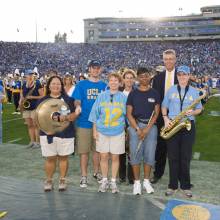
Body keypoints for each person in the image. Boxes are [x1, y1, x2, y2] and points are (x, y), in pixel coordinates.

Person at [161, 65, 203, 198]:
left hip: (188, 125)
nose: (182, 77)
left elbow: (200, 109)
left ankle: (185, 185)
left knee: (185, 157)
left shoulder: (194, 91)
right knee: (173, 157)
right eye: (179, 75)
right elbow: (164, 106)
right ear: (177, 76)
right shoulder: (171, 89)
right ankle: (172, 185)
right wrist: (165, 118)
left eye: (184, 74)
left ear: (189, 76)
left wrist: (194, 111)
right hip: (173, 124)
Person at [38, 75, 80, 192]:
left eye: (58, 83)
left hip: (65, 133)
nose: (56, 85)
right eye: (53, 83)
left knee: (63, 158)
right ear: (49, 86)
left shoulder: (68, 100)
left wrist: (66, 116)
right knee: (50, 158)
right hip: (48, 134)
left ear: (61, 86)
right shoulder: (42, 100)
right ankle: (49, 180)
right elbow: (38, 118)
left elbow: (74, 115)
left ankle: (62, 179)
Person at [89, 73, 127, 193]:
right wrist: (94, 131)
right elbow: (95, 114)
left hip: (118, 131)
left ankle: (113, 181)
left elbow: (127, 116)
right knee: (103, 156)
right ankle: (105, 180)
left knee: (115, 156)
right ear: (108, 82)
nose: (114, 82)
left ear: (120, 82)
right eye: (111, 80)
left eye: (116, 80)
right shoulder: (101, 96)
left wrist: (126, 131)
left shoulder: (123, 97)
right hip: (102, 130)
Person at [72, 60, 107, 188]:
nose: (95, 70)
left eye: (98, 68)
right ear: (89, 69)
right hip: (84, 122)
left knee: (97, 151)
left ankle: (96, 172)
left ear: (100, 69)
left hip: (100, 124)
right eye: (93, 68)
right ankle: (84, 176)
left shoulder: (104, 85)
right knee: (84, 151)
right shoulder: (81, 84)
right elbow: (77, 100)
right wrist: (78, 107)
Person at [127, 67, 160, 195]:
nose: (144, 78)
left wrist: (146, 129)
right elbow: (129, 114)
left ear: (149, 77)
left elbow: (156, 113)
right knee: (135, 155)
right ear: (138, 78)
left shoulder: (155, 93)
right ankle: (137, 182)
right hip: (135, 126)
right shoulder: (133, 93)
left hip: (151, 127)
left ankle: (146, 181)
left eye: (146, 76)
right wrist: (137, 129)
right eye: (141, 76)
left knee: (150, 155)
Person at [151, 49, 178, 184]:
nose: (168, 61)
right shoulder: (157, 78)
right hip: (162, 117)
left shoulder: (182, 76)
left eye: (171, 59)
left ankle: (177, 176)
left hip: (178, 117)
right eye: (166, 59)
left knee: (176, 148)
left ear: (175, 59)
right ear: (163, 60)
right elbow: (156, 100)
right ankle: (158, 173)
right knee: (161, 147)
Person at [119, 69, 136, 184]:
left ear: (134, 80)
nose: (129, 80)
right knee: (120, 151)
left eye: (131, 78)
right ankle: (121, 175)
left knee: (132, 151)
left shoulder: (137, 92)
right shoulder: (118, 93)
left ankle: (131, 176)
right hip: (120, 125)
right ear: (123, 79)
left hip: (133, 125)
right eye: (127, 78)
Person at [19, 69, 44, 148]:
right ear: (25, 76)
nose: (30, 76)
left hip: (35, 107)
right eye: (29, 74)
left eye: (32, 74)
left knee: (36, 125)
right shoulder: (24, 85)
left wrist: (32, 97)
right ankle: (32, 141)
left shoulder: (37, 84)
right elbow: (22, 95)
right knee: (29, 125)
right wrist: (21, 100)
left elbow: (42, 96)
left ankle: (37, 142)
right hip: (27, 108)